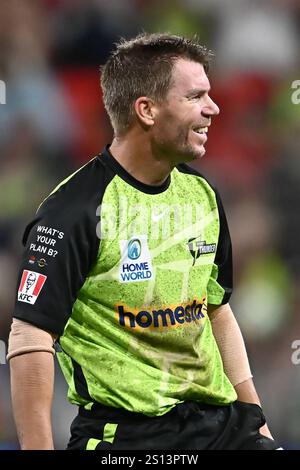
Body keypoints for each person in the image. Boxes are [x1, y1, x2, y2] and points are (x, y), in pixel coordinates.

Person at [8, 33, 280, 450]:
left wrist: (256, 422)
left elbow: (217, 310)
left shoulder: (202, 193)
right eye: (195, 96)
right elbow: (30, 338)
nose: (214, 107)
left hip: (221, 429)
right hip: (129, 439)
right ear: (147, 110)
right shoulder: (74, 211)